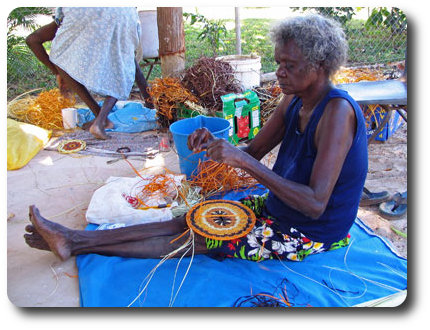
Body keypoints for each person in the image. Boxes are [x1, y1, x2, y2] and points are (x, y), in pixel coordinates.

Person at [24, 14, 368, 262]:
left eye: (289, 65)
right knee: (191, 218)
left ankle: (76, 244)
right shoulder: (293, 100)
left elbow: (314, 203)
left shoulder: (337, 113)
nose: (279, 72)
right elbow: (256, 149)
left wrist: (241, 159)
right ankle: (73, 238)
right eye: (278, 62)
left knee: (201, 237)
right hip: (282, 209)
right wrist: (219, 147)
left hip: (311, 231)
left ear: (320, 66)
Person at [26, 7, 154, 140]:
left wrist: (58, 72)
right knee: (124, 64)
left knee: (60, 59)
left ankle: (100, 119)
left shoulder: (69, 20)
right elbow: (131, 64)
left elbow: (32, 40)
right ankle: (100, 121)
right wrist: (152, 105)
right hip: (121, 13)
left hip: (90, 11)